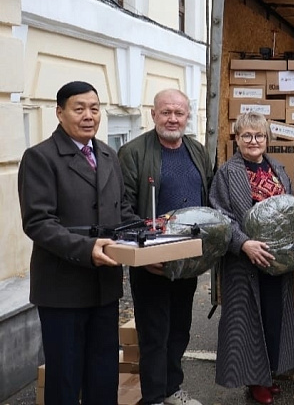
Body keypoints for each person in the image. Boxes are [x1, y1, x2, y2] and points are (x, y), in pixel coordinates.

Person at [18, 81, 136, 405]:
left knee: (103, 375)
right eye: (79, 108)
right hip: (62, 290)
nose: (89, 116)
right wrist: (86, 249)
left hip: (104, 287)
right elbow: (38, 222)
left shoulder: (110, 156)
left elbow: (123, 212)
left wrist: (148, 240)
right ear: (59, 112)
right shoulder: (40, 158)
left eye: (95, 109)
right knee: (65, 380)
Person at [118, 88, 213, 405]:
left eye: (179, 113)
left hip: (186, 261)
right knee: (154, 333)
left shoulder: (197, 151)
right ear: (154, 114)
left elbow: (208, 201)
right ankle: (154, 397)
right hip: (152, 261)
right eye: (166, 112)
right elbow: (123, 209)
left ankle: (172, 389)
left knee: (179, 330)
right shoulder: (133, 153)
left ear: (188, 116)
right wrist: (143, 255)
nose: (173, 118)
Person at [208, 112, 294, 405]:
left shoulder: (278, 169)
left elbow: (289, 208)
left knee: (273, 318)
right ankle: (254, 381)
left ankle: (268, 374)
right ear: (236, 138)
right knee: (245, 323)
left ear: (267, 139)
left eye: (259, 135)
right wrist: (244, 244)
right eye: (246, 135)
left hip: (275, 259)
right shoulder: (227, 172)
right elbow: (220, 216)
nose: (253, 141)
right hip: (244, 261)